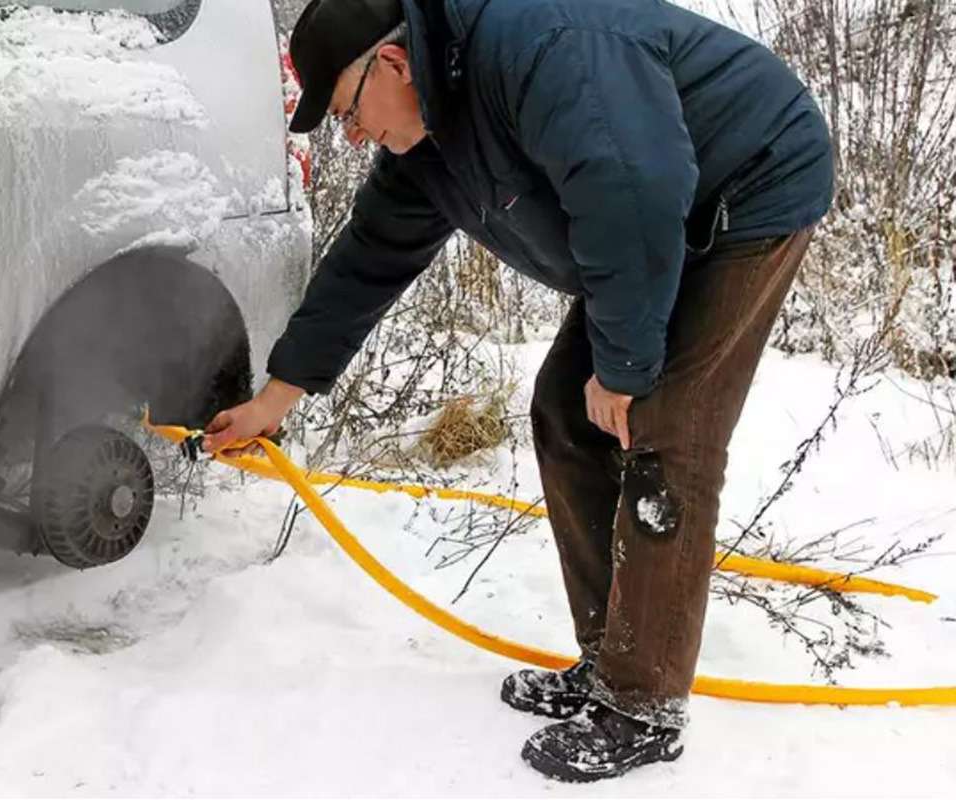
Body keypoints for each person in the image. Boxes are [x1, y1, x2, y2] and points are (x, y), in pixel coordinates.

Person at [202, 0, 833, 782]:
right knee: (567, 414)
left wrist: (626, 368)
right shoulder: (429, 143)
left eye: (347, 113)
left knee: (665, 434)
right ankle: (610, 663)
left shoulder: (542, 49)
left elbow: (632, 187)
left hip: (748, 187)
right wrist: (276, 398)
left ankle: (642, 705)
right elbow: (365, 262)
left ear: (392, 64)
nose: (355, 137)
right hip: (653, 222)